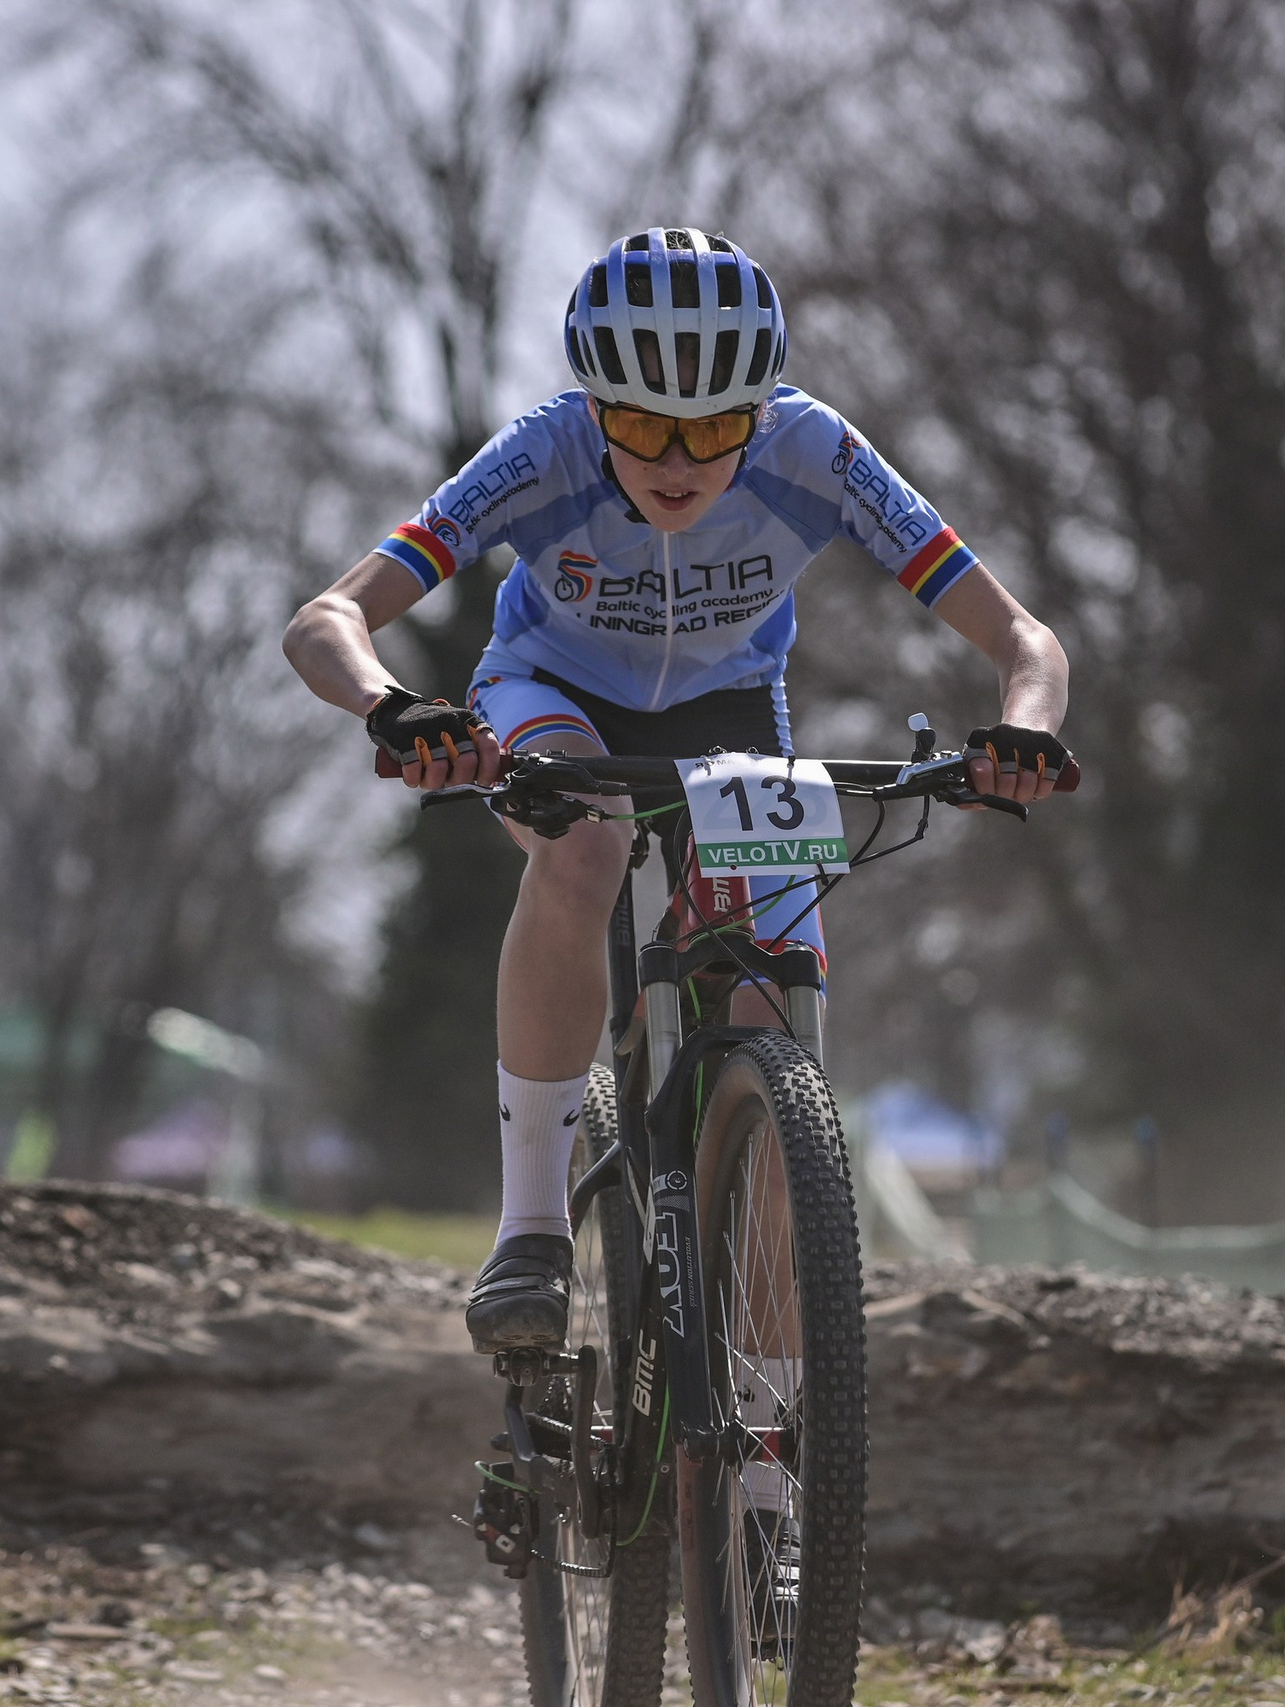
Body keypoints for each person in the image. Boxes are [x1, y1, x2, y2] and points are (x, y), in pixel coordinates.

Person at [284, 227, 1069, 1353]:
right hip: (553, 695)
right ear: (592, 404)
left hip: (730, 718)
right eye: (643, 422)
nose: (679, 458)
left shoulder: (814, 451)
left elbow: (1024, 640)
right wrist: (392, 708)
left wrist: (1021, 733)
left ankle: (758, 1412)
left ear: (763, 408)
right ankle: (534, 1231)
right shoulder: (540, 453)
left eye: (714, 426)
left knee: (770, 1011)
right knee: (587, 849)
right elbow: (328, 619)